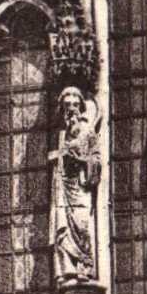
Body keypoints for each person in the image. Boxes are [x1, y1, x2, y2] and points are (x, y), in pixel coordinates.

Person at [49, 87, 102, 282]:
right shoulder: (60, 135)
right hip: (63, 185)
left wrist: (81, 160)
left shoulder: (88, 133)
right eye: (67, 106)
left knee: (82, 225)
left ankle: (85, 266)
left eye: (75, 105)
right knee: (63, 227)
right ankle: (67, 267)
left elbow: (96, 159)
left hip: (80, 185)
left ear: (81, 108)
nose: (71, 110)